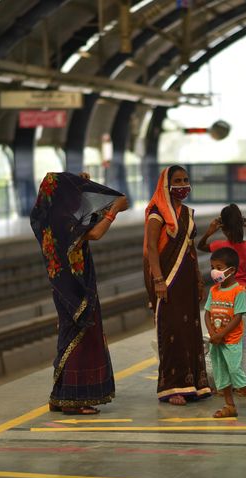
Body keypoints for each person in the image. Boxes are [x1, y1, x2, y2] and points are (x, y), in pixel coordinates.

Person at [30, 171, 129, 415]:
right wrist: (113, 210)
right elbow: (94, 233)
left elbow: (85, 220)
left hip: (63, 288)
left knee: (68, 336)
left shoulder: (49, 218)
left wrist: (81, 185)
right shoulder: (65, 221)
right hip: (77, 288)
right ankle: (75, 399)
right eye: (73, 192)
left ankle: (60, 395)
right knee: (83, 336)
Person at [143, 166, 211, 405]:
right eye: (177, 181)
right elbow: (151, 248)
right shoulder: (157, 212)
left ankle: (193, 383)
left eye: (185, 180)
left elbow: (190, 248)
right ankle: (172, 387)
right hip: (167, 280)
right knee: (172, 331)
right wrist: (159, 280)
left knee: (190, 330)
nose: (183, 185)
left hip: (187, 280)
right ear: (166, 185)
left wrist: (200, 279)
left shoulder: (187, 214)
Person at [197, 204, 246, 387]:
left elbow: (201, 246)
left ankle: (225, 382)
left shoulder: (219, 246)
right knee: (244, 341)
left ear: (222, 226)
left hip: (223, 295)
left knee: (224, 338)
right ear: (242, 225)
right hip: (243, 292)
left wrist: (209, 231)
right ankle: (245, 382)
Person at [205, 247, 246, 419]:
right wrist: (212, 333)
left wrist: (221, 334)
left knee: (235, 370)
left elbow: (237, 317)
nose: (214, 271)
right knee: (220, 371)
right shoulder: (214, 290)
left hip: (231, 340)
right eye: (212, 267)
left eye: (218, 267)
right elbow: (207, 313)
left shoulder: (238, 291)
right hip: (216, 341)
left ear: (231, 270)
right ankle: (229, 405)